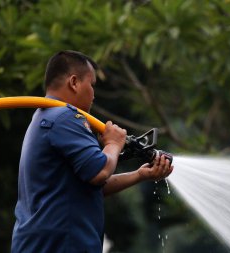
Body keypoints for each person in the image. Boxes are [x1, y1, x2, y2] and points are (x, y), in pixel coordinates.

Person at [11, 50, 174, 253]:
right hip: (60, 246)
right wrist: (113, 144)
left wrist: (140, 175)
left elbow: (91, 184)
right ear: (74, 82)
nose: (94, 94)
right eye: (92, 84)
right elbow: (100, 171)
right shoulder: (65, 117)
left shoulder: (45, 117)